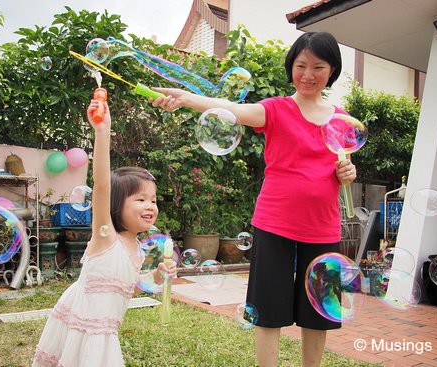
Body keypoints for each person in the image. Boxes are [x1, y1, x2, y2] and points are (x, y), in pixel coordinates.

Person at [150, 31, 357, 367]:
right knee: (268, 308)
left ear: (331, 70)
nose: (307, 75)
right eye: (300, 65)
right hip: (275, 224)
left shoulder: (341, 118)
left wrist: (349, 172)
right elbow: (229, 108)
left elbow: (344, 164)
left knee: (318, 311)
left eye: (318, 67)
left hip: (323, 227)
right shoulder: (276, 109)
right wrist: (185, 97)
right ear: (291, 67)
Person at [32, 95, 177, 367]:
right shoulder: (105, 237)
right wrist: (102, 130)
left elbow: (128, 284)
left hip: (105, 331)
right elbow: (100, 185)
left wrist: (156, 275)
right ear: (114, 205)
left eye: (153, 200)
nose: (150, 206)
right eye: (140, 199)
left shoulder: (136, 247)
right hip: (87, 328)